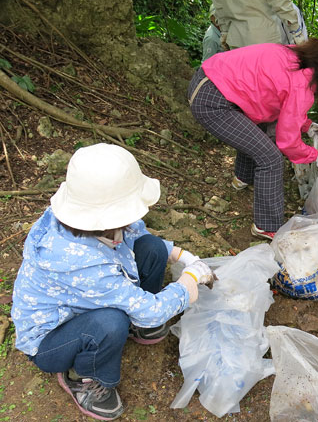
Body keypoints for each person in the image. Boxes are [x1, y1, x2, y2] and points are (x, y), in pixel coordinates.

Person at [11, 143, 217, 420]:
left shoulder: (87, 222)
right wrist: (188, 281)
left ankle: (138, 327)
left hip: (87, 301)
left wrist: (177, 253)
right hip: (52, 340)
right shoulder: (79, 263)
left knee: (152, 247)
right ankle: (85, 376)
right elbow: (152, 309)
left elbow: (131, 230)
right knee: (109, 323)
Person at [188, 34, 318, 240]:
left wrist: (306, 125)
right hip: (213, 102)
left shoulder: (293, 54)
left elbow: (283, 102)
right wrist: (315, 155)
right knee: (271, 159)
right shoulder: (301, 84)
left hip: (209, 78)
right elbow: (287, 142)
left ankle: (242, 177)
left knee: (259, 132)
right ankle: (267, 225)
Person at [213, 0, 307, 50]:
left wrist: (224, 32)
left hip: (236, 39)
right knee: (265, 79)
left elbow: (219, 5)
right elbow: (280, 2)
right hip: (263, 40)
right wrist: (297, 33)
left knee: (242, 78)